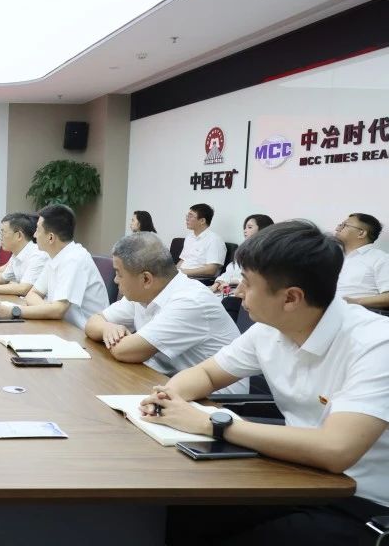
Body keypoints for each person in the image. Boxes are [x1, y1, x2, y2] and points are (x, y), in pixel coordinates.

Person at [140, 220, 389, 545]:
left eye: (247, 282)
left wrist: (212, 424)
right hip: (295, 475)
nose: (237, 291)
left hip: (361, 502)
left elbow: (335, 450)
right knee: (188, 508)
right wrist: (169, 397)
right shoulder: (270, 328)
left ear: (291, 298)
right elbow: (208, 374)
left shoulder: (375, 344)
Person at [84, 233, 245, 394]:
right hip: (167, 382)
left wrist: (111, 336)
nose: (115, 280)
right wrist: (107, 328)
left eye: (119, 273)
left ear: (146, 279)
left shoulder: (190, 300)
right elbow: (92, 322)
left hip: (215, 401)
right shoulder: (141, 293)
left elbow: (125, 351)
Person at [0, 204, 109, 328]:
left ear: (50, 238)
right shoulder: (54, 256)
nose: (34, 235)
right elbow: (32, 294)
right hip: (60, 326)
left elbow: (58, 310)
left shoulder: (74, 259)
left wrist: (13, 311)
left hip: (81, 334)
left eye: (38, 230)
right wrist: (48, 309)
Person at [334, 212, 389, 309]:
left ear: (361, 233)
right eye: (340, 225)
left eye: (344, 225)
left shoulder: (381, 258)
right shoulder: (333, 258)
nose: (337, 229)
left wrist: (354, 302)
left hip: (359, 313)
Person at [212, 214, 274, 293]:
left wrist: (232, 282)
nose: (245, 230)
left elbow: (259, 279)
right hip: (230, 290)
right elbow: (230, 271)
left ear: (263, 229)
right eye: (245, 227)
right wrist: (218, 282)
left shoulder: (269, 253)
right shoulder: (243, 250)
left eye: (249, 227)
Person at [177, 203, 226, 278]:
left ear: (202, 221)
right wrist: (174, 272)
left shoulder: (215, 240)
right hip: (181, 276)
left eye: (190, 216)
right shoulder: (189, 237)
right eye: (187, 216)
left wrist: (183, 272)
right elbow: (183, 260)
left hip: (197, 279)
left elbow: (211, 270)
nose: (187, 219)